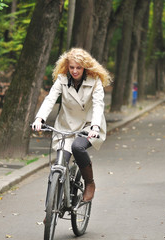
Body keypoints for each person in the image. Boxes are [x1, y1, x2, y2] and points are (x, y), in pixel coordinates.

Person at [32, 48, 112, 202]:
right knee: (59, 164)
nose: (75, 71)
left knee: (77, 147)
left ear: (85, 68)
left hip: (89, 126)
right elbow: (50, 99)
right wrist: (39, 119)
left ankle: (90, 183)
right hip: (66, 127)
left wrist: (95, 127)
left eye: (79, 68)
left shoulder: (94, 82)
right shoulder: (62, 79)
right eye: (72, 67)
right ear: (67, 67)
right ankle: (51, 208)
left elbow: (98, 105)